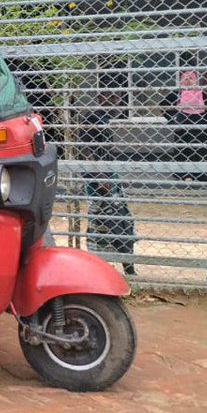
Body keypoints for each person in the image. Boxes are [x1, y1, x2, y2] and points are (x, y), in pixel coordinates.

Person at [80, 79, 136, 275]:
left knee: (120, 219)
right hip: (98, 177)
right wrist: (100, 177)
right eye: (111, 97)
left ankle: (126, 265)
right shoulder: (93, 117)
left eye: (118, 97)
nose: (116, 101)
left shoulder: (110, 118)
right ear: (100, 97)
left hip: (109, 174)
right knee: (105, 220)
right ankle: (105, 265)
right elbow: (85, 149)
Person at [166, 61, 207, 181]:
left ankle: (203, 175)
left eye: (191, 78)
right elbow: (164, 106)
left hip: (200, 126)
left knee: (201, 149)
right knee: (183, 150)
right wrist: (173, 119)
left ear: (196, 80)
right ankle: (184, 174)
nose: (188, 81)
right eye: (185, 78)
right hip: (183, 126)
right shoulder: (177, 93)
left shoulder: (202, 93)